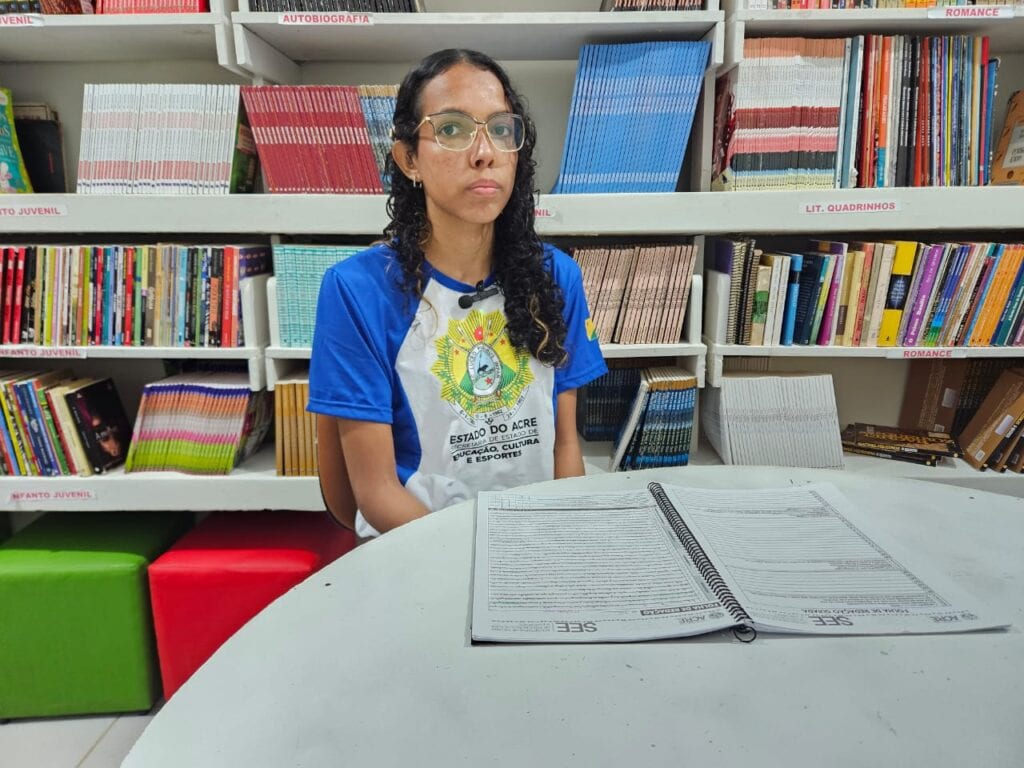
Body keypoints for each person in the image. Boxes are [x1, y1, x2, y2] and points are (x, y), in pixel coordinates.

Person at [308, 48, 607, 538]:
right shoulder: (357, 290)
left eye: (500, 129)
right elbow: (377, 494)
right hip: (419, 548)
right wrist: (475, 562)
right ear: (409, 159)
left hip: (537, 541)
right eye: (451, 129)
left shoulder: (557, 276)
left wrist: (562, 541)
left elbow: (563, 449)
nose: (483, 152)